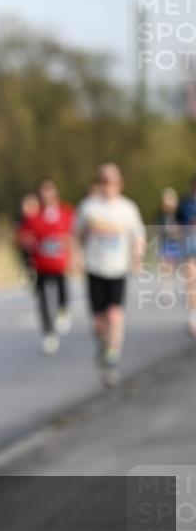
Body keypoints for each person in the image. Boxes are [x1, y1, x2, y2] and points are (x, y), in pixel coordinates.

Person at [74, 163, 146, 387]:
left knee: (115, 315)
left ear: (120, 184)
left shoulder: (128, 208)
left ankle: (112, 357)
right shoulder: (88, 208)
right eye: (104, 181)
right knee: (98, 323)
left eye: (112, 182)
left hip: (117, 269)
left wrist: (137, 257)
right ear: (99, 183)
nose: (108, 186)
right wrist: (75, 256)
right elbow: (75, 235)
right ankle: (103, 346)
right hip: (95, 269)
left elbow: (138, 235)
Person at [18, 177, 76, 354]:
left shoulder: (66, 212)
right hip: (41, 263)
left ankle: (63, 308)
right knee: (43, 298)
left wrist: (74, 254)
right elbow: (23, 236)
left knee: (61, 287)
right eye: (43, 192)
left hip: (59, 262)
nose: (46, 195)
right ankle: (48, 332)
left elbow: (74, 235)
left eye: (49, 190)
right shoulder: (34, 216)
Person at [177, 175, 196, 337]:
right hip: (191, 246)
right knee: (191, 282)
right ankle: (192, 318)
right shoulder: (186, 203)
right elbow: (178, 224)